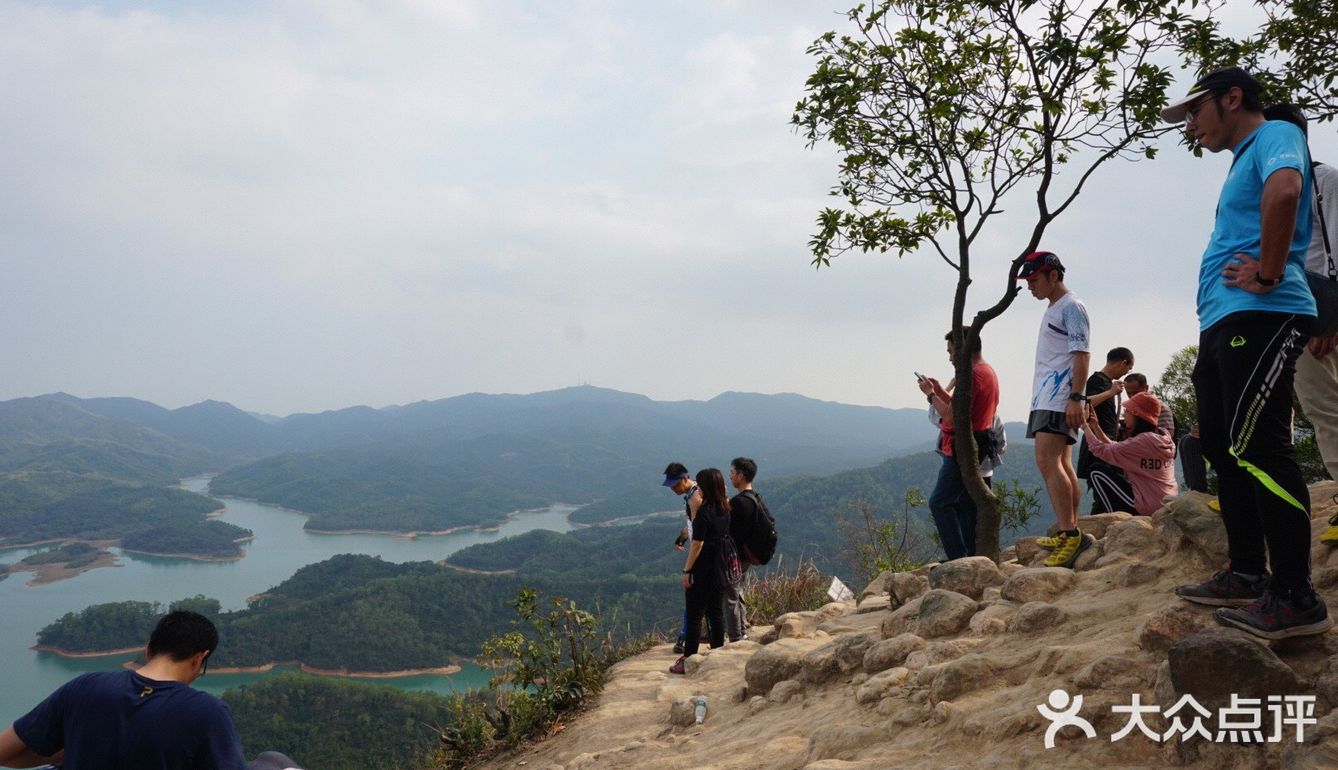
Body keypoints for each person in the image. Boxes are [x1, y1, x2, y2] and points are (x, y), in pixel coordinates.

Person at [1162, 67, 1330, 638]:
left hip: (1264, 312)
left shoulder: (1277, 134)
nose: (1190, 125)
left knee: (1259, 444)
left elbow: (1287, 191)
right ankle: (1247, 572)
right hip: (1226, 319)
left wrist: (1267, 272)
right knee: (1221, 444)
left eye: (1195, 110)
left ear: (1232, 99)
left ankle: (1295, 595)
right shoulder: (1244, 157)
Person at [0, 610, 303, 770]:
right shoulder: (207, 712)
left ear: (148, 650)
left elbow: (5, 753)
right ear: (200, 659)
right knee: (272, 760)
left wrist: (67, 755)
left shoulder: (85, 686)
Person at [1261, 105, 1338, 544]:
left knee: (1324, 407)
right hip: (1291, 308)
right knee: (1312, 406)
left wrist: (1331, 317)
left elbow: (1336, 248)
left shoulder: (1323, 180)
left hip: (1320, 311)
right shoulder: (1275, 183)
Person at [1019, 250, 1095, 568]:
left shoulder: (1072, 307)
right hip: (1048, 396)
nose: (1029, 287)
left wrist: (1076, 397)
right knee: (1062, 463)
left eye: (1034, 279)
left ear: (1053, 275)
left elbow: (1082, 354)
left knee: (1047, 462)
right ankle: (1071, 530)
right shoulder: (1055, 307)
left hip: (1058, 396)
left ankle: (1069, 534)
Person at [918, 330, 1000, 561]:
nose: (951, 358)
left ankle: (957, 557)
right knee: (965, 501)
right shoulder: (987, 372)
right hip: (979, 440)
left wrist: (930, 395)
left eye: (951, 351)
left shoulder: (972, 375)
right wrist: (941, 390)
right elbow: (961, 403)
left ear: (964, 349)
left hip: (963, 444)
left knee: (940, 502)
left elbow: (952, 416)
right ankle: (970, 554)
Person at [669, 468, 734, 674]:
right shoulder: (725, 509)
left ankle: (689, 658)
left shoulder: (704, 512)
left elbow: (697, 544)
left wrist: (687, 571)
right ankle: (718, 654)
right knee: (715, 613)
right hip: (720, 566)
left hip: (702, 567)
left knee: (695, 614)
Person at [1081, 392, 1178, 516]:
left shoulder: (1142, 441)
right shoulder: (1163, 437)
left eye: (1127, 411)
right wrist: (1095, 427)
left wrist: (1084, 425)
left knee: (1096, 472)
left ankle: (1115, 517)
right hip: (1166, 502)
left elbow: (1098, 449)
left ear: (1136, 414)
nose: (1124, 414)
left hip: (1148, 505)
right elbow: (1115, 447)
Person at [1077, 348, 1135, 513]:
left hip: (1107, 442)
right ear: (1123, 363)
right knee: (1102, 490)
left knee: (1109, 488)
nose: (1126, 373)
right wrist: (1111, 392)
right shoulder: (1097, 380)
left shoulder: (1107, 382)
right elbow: (1083, 404)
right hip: (1097, 442)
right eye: (1128, 368)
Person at [663, 462, 703, 654]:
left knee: (693, 597)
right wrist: (682, 538)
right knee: (703, 600)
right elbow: (692, 525)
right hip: (702, 554)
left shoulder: (696, 497)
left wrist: (688, 568)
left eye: (675, 484)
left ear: (685, 478)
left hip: (701, 556)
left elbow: (699, 534)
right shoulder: (691, 495)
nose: (672, 488)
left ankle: (684, 637)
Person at [725, 457, 759, 642]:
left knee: (730, 596)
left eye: (732, 473)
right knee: (738, 591)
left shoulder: (739, 503)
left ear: (741, 475)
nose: (730, 476)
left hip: (736, 556)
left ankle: (737, 636)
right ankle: (743, 627)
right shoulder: (755, 498)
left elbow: (729, 530)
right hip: (747, 555)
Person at [1121, 373, 1177, 437]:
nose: (1131, 396)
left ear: (1146, 388)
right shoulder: (1130, 408)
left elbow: (1168, 436)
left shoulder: (1161, 407)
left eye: (1135, 393)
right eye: (1128, 393)